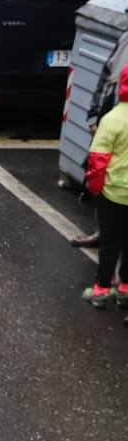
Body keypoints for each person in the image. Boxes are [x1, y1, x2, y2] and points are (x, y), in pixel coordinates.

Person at [83, 64, 128, 310]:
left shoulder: (111, 120)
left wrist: (95, 188)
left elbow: (98, 161)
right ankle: (125, 289)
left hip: (113, 194)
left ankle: (101, 289)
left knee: (110, 243)